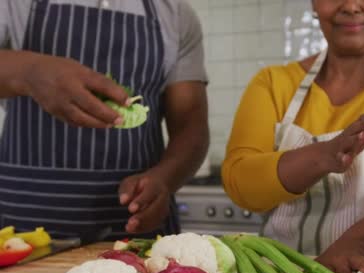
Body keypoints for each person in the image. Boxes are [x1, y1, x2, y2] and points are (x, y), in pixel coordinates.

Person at [222, 0, 364, 273]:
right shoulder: (273, 83)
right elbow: (241, 183)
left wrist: (354, 243)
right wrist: (325, 156)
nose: (352, 6)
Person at [0, 0, 209, 240]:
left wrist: (165, 179)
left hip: (135, 229)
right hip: (24, 227)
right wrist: (29, 72)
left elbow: (192, 126)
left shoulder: (175, 14)